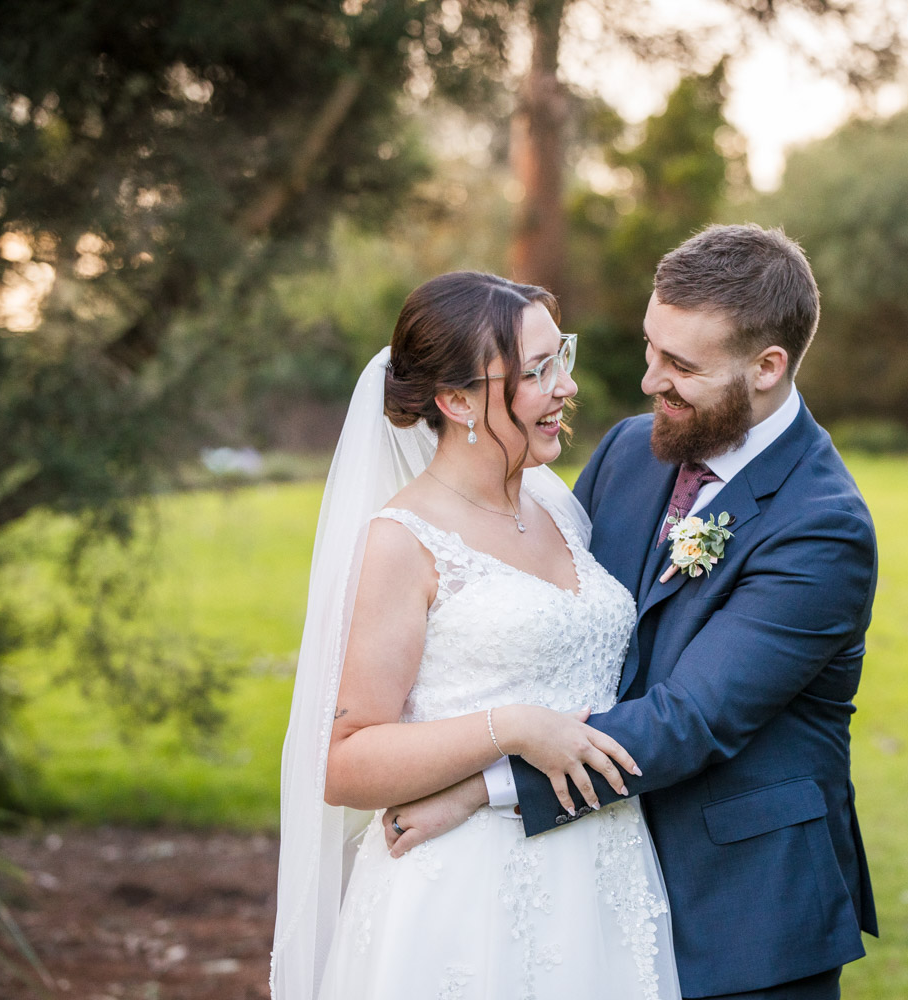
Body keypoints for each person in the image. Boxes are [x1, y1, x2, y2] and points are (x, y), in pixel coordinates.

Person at [386, 225, 879, 1000]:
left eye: (681, 365)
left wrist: (483, 784)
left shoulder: (822, 526)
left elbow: (693, 717)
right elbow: (562, 617)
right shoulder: (627, 451)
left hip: (744, 913)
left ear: (767, 367)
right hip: (588, 887)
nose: (650, 380)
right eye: (651, 348)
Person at [270, 271, 683, 1000]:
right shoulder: (402, 542)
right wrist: (510, 728)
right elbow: (342, 759)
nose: (565, 388)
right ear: (456, 400)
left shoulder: (559, 509)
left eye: (563, 359)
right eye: (534, 372)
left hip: (603, 876)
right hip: (465, 896)